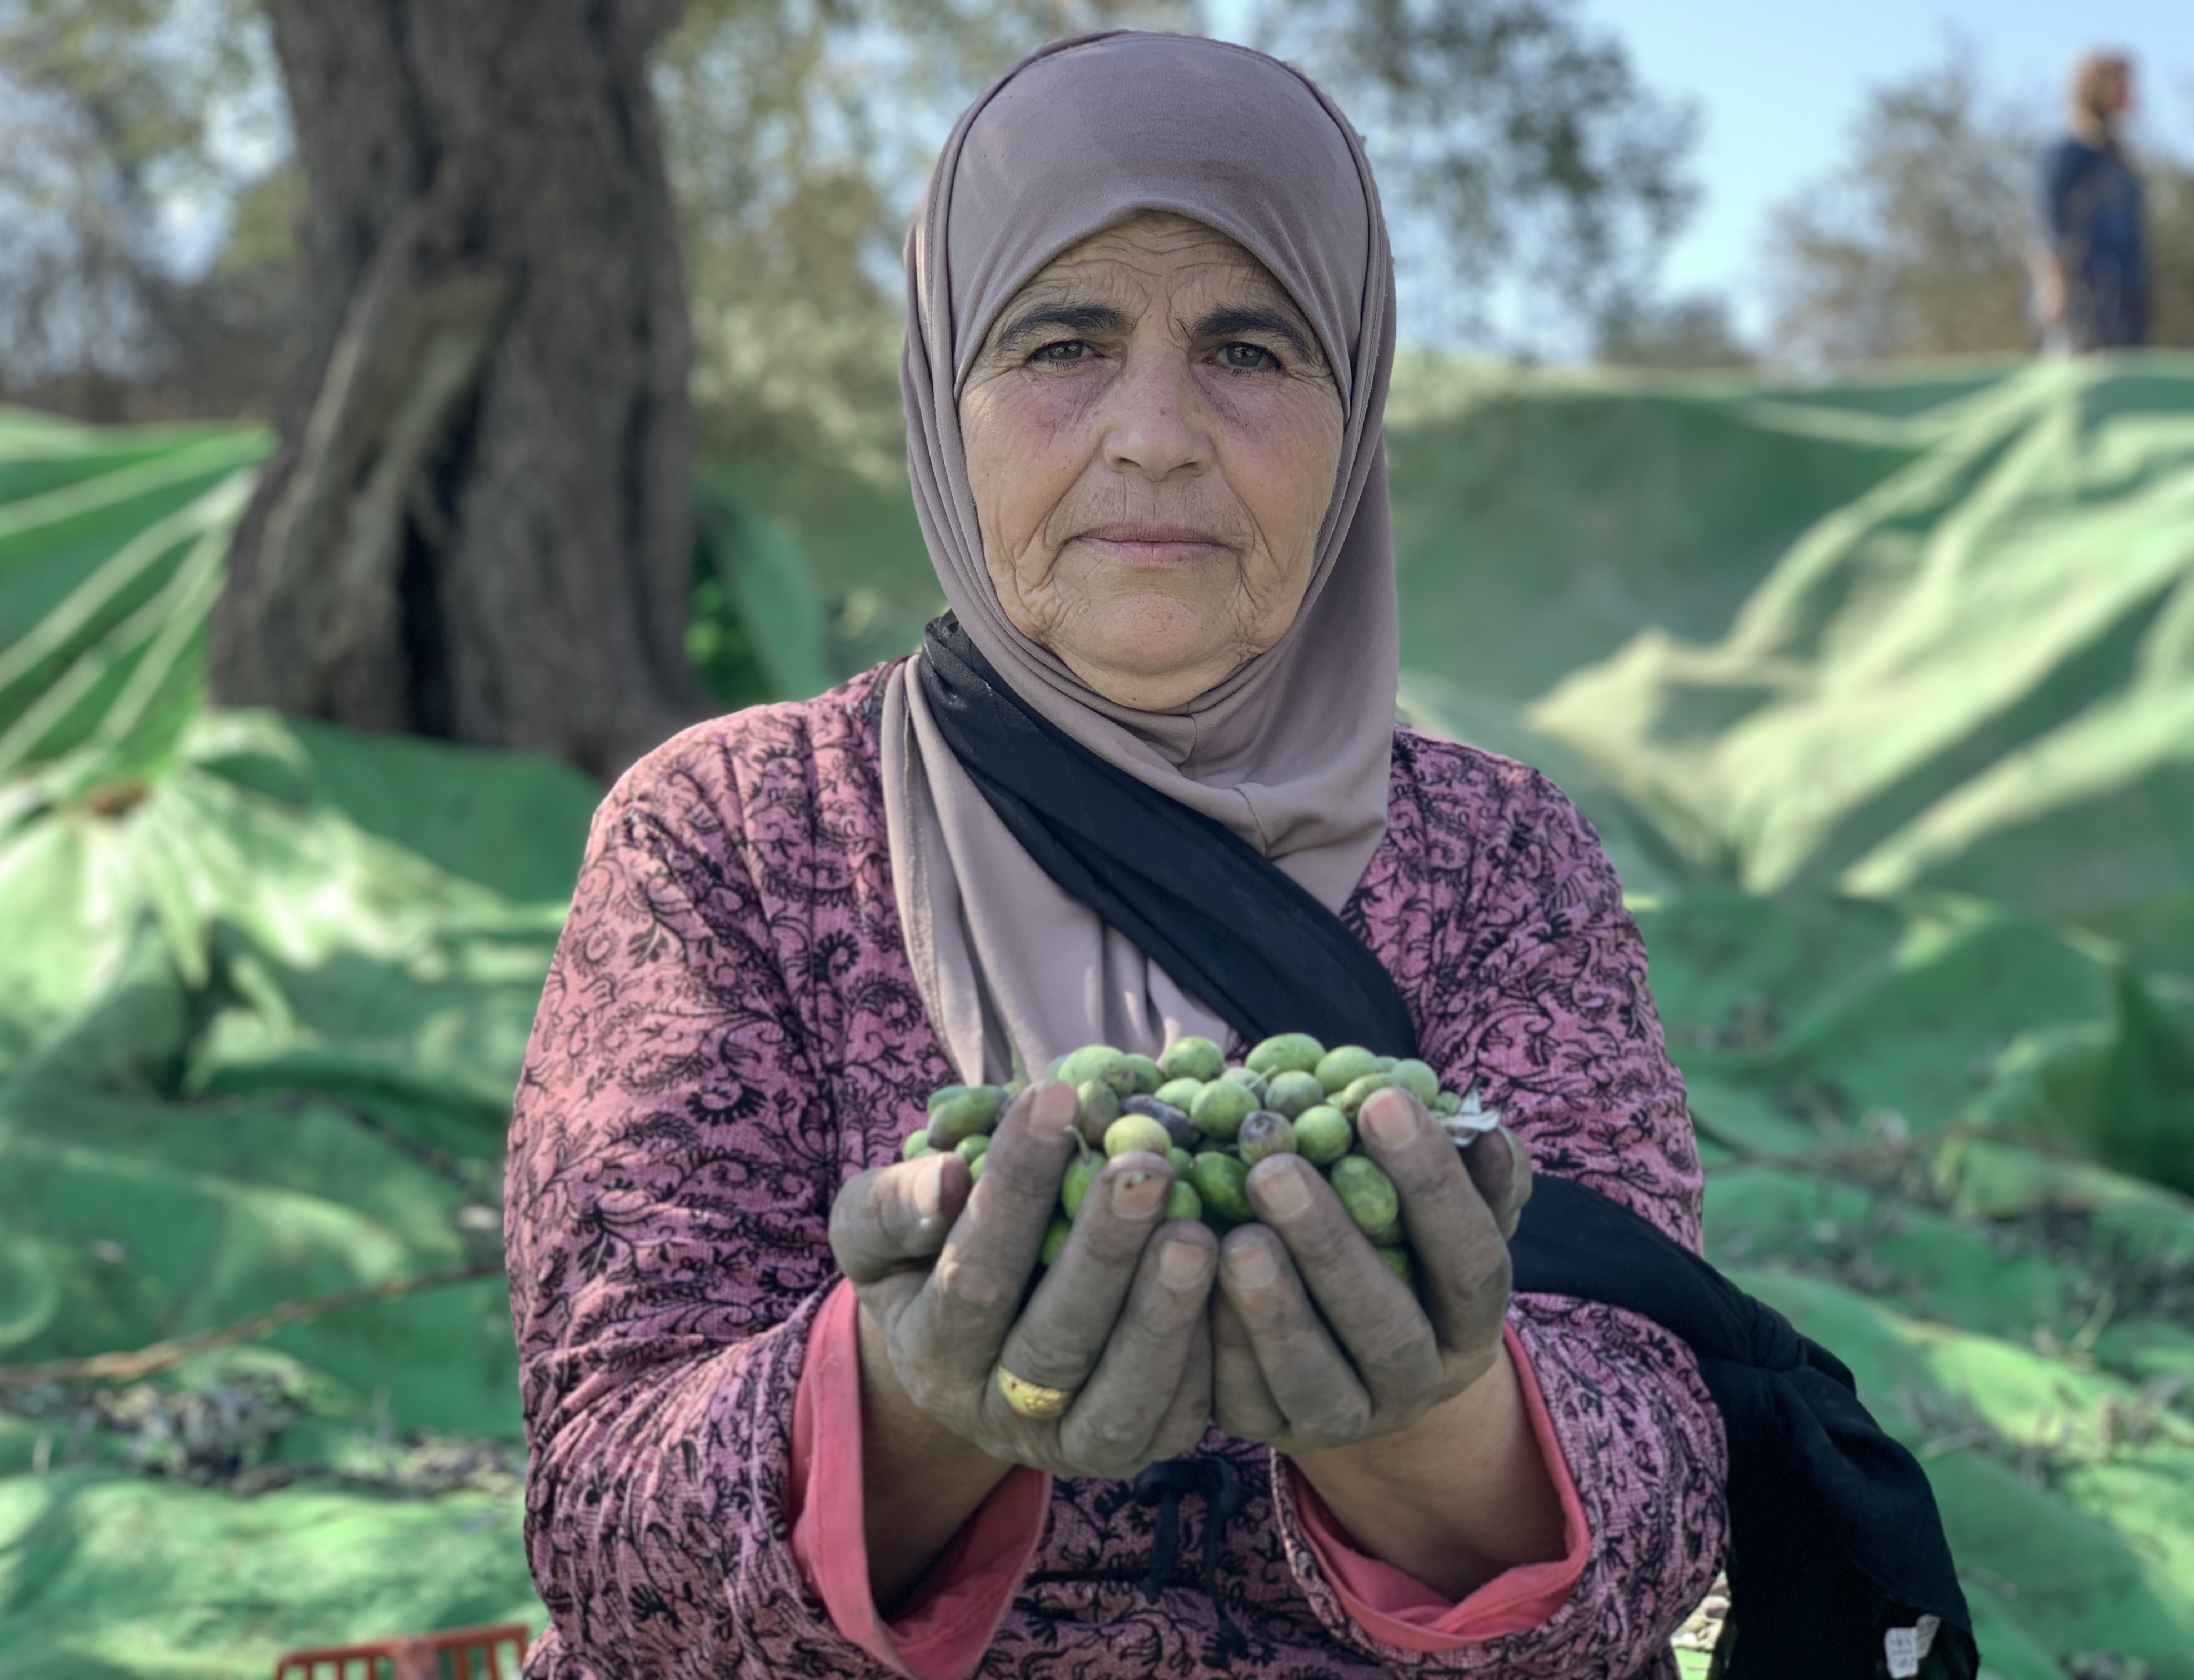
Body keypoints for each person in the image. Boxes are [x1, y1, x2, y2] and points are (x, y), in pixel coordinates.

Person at [504, 31, 1967, 1680]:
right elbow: (607, 1526)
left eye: (1249, 349)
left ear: (1357, 407)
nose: (1153, 433)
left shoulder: (1503, 861)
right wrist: (907, 1397)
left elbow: (1658, 1482)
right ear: (943, 397)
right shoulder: (733, 835)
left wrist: (1426, 1425)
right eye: (1062, 341)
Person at [2033, 50, 2149, 352]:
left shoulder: (2119, 160)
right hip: (2084, 298)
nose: (2130, 93)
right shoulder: (2066, 154)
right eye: (2122, 84)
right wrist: (2054, 290)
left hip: (2127, 298)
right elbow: (2048, 226)